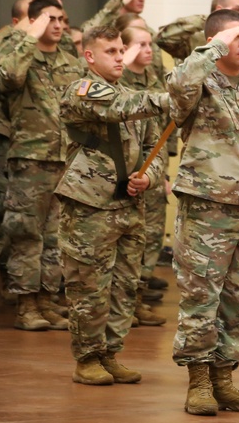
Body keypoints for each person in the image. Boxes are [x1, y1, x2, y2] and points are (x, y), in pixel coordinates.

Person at [168, 9, 239, 415]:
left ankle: (224, 379)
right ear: (215, 42)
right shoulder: (199, 83)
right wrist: (212, 47)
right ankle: (198, 382)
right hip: (207, 209)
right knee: (201, 295)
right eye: (236, 37)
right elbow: (177, 83)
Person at [56, 26, 169, 385]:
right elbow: (120, 108)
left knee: (124, 285)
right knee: (89, 285)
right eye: (111, 52)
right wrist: (174, 96)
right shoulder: (82, 90)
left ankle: (110, 353)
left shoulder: (139, 98)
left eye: (122, 50)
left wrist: (149, 177)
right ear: (90, 56)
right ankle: (87, 357)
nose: (121, 57)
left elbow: (158, 150)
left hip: (129, 205)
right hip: (90, 204)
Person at [0, 0, 85, 331]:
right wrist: (30, 37)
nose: (58, 25)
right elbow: (6, 79)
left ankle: (46, 299)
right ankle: (26, 305)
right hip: (30, 158)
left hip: (65, 158)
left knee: (55, 236)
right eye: (50, 19)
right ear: (34, 22)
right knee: (26, 234)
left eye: (62, 19)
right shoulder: (21, 55)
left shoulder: (70, 61)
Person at [0, 0, 32, 304]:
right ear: (17, 24)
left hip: (36, 146)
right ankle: (5, 271)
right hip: (5, 141)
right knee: (4, 211)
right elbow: (0, 80)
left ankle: (29, 281)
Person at [118, 25, 171, 326]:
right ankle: (123, 304)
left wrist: (160, 173)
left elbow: (165, 129)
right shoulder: (118, 80)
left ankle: (138, 299)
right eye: (141, 44)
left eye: (150, 44)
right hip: (125, 170)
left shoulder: (155, 80)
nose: (149, 50)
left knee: (149, 237)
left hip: (151, 171)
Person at [156, 0, 239, 75]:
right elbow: (163, 38)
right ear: (219, 10)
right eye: (237, 10)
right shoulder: (198, 41)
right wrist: (213, 19)